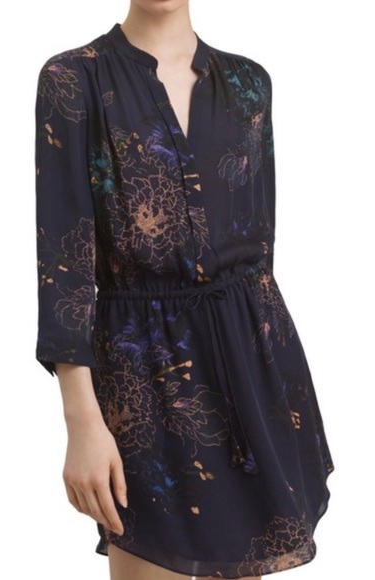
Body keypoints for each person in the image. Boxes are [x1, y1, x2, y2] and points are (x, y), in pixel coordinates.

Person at [34, 1, 334, 578]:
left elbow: (260, 252)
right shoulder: (73, 78)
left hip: (254, 365)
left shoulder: (249, 83)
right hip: (140, 375)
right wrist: (81, 420)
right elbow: (63, 260)